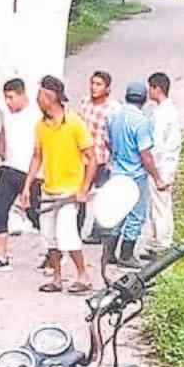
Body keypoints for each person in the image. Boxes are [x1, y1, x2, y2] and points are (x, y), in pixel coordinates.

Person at [25, 78, 96, 294]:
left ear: (51, 96)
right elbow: (37, 156)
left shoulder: (74, 123)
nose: (37, 99)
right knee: (49, 237)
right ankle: (57, 278)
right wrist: (27, 185)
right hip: (49, 187)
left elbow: (92, 158)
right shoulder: (41, 125)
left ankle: (83, 275)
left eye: (40, 95)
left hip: (69, 190)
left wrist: (84, 188)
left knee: (67, 233)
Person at [103, 82, 168, 269]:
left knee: (117, 212)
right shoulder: (141, 121)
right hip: (135, 175)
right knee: (136, 215)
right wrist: (157, 178)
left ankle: (109, 253)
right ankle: (126, 254)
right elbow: (145, 155)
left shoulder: (113, 115)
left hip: (116, 172)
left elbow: (108, 142)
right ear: (144, 98)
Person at [0, 78, 38, 272]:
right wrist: (1, 151)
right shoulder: (7, 113)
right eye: (6, 97)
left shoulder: (36, 115)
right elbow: (4, 132)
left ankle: (53, 252)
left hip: (29, 171)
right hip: (8, 168)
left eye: (11, 97)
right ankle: (1, 256)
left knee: (34, 214)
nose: (8, 101)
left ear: (22, 95)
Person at [140, 72, 183, 259]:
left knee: (160, 206)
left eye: (150, 88)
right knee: (160, 205)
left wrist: (152, 169)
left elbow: (157, 145)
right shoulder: (167, 111)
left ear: (156, 88)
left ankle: (162, 243)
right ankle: (158, 240)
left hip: (161, 165)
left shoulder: (162, 115)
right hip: (166, 164)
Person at [75, 70, 115, 244]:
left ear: (107, 88)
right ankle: (75, 230)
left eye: (98, 84)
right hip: (82, 158)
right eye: (92, 83)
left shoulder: (112, 109)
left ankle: (97, 232)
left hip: (101, 160)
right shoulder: (85, 103)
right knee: (79, 195)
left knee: (101, 197)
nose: (94, 87)